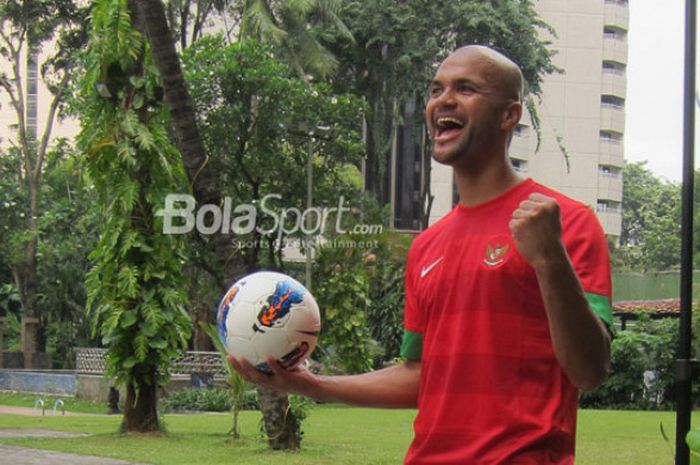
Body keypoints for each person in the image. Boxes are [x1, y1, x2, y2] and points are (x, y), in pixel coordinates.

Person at [229, 44, 614, 465]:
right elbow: (420, 377)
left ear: (508, 115)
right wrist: (312, 386)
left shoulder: (565, 224)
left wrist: (550, 259)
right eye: (436, 90)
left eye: (466, 89)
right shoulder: (427, 246)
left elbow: (589, 370)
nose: (442, 100)